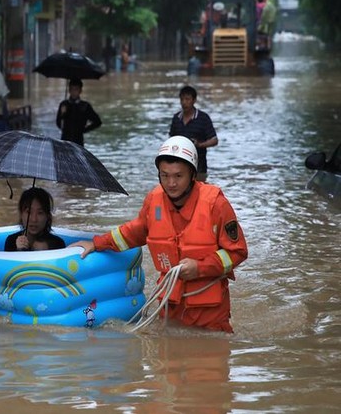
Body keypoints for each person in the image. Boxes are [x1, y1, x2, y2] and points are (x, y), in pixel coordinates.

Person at [70, 136, 248, 333]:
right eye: (165, 175)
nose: (171, 183)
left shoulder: (216, 204)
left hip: (210, 315)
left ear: (192, 174)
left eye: (178, 176)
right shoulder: (154, 200)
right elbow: (132, 233)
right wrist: (96, 243)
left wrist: (200, 267)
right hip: (169, 308)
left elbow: (237, 252)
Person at [169, 85, 218, 181]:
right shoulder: (176, 118)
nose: (184, 103)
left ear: (194, 100)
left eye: (187, 99)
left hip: (199, 166)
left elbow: (214, 140)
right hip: (179, 166)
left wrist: (199, 144)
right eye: (182, 99)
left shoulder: (203, 118)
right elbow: (171, 140)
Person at [4, 187, 65, 251]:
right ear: (21, 214)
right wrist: (19, 251)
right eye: (29, 212)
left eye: (40, 213)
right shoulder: (11, 241)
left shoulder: (58, 244)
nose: (34, 219)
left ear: (48, 216)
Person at [56, 78, 102, 147]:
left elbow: (97, 122)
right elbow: (59, 123)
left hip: (78, 142)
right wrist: (62, 114)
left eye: (76, 89)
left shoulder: (85, 106)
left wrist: (83, 130)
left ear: (80, 91)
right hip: (65, 141)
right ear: (69, 90)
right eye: (72, 89)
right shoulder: (64, 104)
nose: (73, 92)